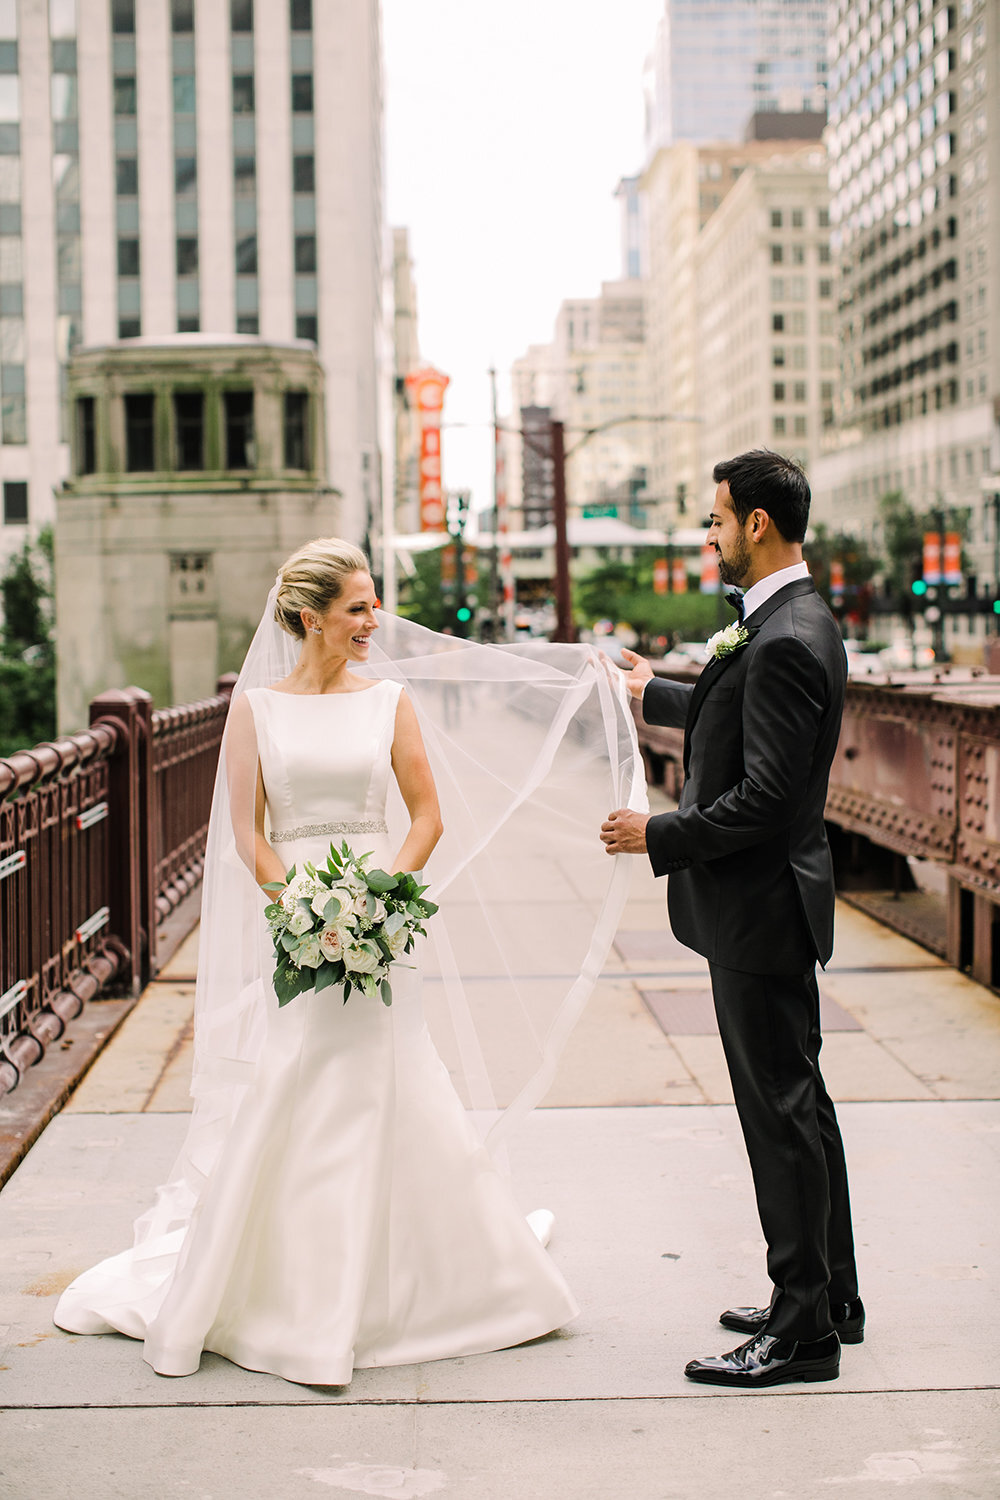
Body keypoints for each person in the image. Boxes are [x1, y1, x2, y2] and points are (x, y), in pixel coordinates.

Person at [54, 537, 644, 1384]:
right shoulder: (255, 710)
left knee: (396, 1078)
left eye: (374, 604)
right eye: (357, 608)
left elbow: (428, 817)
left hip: (382, 925)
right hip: (296, 923)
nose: (375, 621)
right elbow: (247, 835)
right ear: (307, 617)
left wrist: (378, 903)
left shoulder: (390, 702)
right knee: (297, 1077)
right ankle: (290, 1293)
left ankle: (437, 1278)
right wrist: (296, 908)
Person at [601, 450, 862, 1389]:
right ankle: (831, 1293)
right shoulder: (786, 622)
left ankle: (801, 1334)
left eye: (716, 520)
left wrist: (657, 832)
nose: (708, 535)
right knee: (804, 1106)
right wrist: (651, 689)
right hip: (767, 909)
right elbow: (736, 712)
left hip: (760, 910)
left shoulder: (787, 636)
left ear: (756, 522)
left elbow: (761, 797)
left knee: (779, 1116)